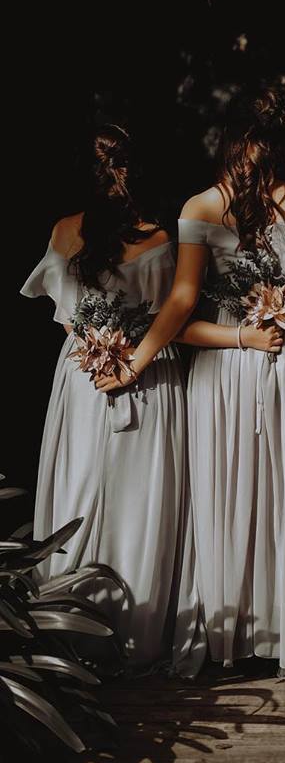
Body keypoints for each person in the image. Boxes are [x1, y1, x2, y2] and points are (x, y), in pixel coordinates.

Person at [96, 89, 285, 671]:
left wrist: (137, 361)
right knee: (271, 489)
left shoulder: (202, 206)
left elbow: (181, 307)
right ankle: (268, 629)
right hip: (280, 360)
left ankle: (247, 632)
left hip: (256, 364)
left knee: (244, 490)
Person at [21, 124, 200, 674]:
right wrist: (126, 354)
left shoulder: (64, 232)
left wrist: (98, 343)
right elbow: (175, 313)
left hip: (86, 373)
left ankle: (70, 631)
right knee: (136, 498)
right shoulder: (161, 242)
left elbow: (61, 307)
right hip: (142, 371)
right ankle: (129, 634)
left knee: (86, 487)